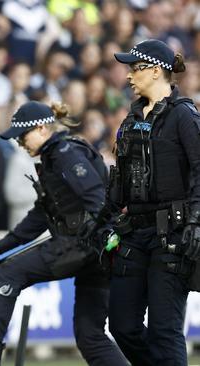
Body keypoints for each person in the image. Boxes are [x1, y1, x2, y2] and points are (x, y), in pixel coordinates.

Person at [0, 101, 127, 366]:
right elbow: (38, 219)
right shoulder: (55, 156)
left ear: (43, 129)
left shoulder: (64, 154)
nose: (20, 142)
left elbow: (97, 198)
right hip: (99, 255)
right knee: (90, 336)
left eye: (23, 135)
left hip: (82, 246)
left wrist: (91, 235)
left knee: (9, 274)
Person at [108, 39, 200, 366]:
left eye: (136, 68)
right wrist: (101, 220)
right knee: (123, 325)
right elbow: (119, 180)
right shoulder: (131, 120)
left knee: (164, 329)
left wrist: (196, 221)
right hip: (134, 232)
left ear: (157, 71)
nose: (129, 75)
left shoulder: (184, 116)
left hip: (172, 234)